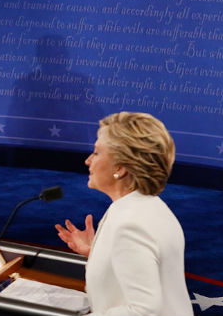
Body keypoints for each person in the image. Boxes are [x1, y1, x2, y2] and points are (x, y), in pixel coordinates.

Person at [55, 112, 193, 315]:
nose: (87, 160)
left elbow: (142, 311)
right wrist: (96, 253)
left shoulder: (130, 225)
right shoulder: (148, 206)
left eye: (96, 153)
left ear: (120, 168)